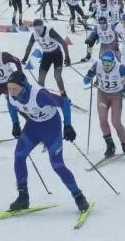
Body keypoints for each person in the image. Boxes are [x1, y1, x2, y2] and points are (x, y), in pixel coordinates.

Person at [5, 70, 87, 213]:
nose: (11, 92)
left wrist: (68, 125)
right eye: (9, 88)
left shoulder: (39, 95)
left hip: (51, 128)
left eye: (15, 89)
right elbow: (11, 105)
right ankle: (23, 196)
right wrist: (15, 123)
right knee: (19, 156)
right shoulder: (11, 96)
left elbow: (65, 103)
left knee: (57, 165)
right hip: (33, 126)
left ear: (24, 86)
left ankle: (78, 195)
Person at [83, 50, 125, 161]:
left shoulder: (120, 67)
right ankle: (110, 145)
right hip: (102, 95)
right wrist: (89, 76)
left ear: (113, 62)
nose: (106, 66)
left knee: (116, 122)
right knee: (102, 120)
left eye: (108, 63)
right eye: (104, 63)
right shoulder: (97, 65)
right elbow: (86, 80)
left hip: (115, 96)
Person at [20, 18, 71, 95]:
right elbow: (29, 47)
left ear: (42, 26)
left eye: (39, 29)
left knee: (57, 76)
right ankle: (42, 94)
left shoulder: (50, 32)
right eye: (35, 29)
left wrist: (67, 57)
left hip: (57, 55)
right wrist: (25, 58)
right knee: (41, 78)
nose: (38, 31)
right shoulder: (34, 35)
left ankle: (63, 94)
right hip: (46, 56)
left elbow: (63, 43)